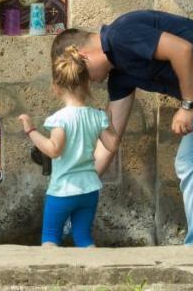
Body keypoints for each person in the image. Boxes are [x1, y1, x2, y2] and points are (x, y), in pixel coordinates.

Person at [53, 10, 193, 245]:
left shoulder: (122, 34)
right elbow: (110, 141)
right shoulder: (120, 75)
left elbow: (182, 50)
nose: (90, 83)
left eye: (83, 76)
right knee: (191, 162)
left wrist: (187, 105)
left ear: (84, 56)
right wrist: (77, 182)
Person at [18, 44, 120, 247]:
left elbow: (54, 150)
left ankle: (52, 277)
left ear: (56, 88)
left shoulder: (60, 119)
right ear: (86, 85)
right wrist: (108, 121)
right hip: (89, 190)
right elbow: (112, 145)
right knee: (83, 238)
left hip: (63, 190)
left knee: (50, 238)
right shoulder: (97, 116)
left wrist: (31, 131)